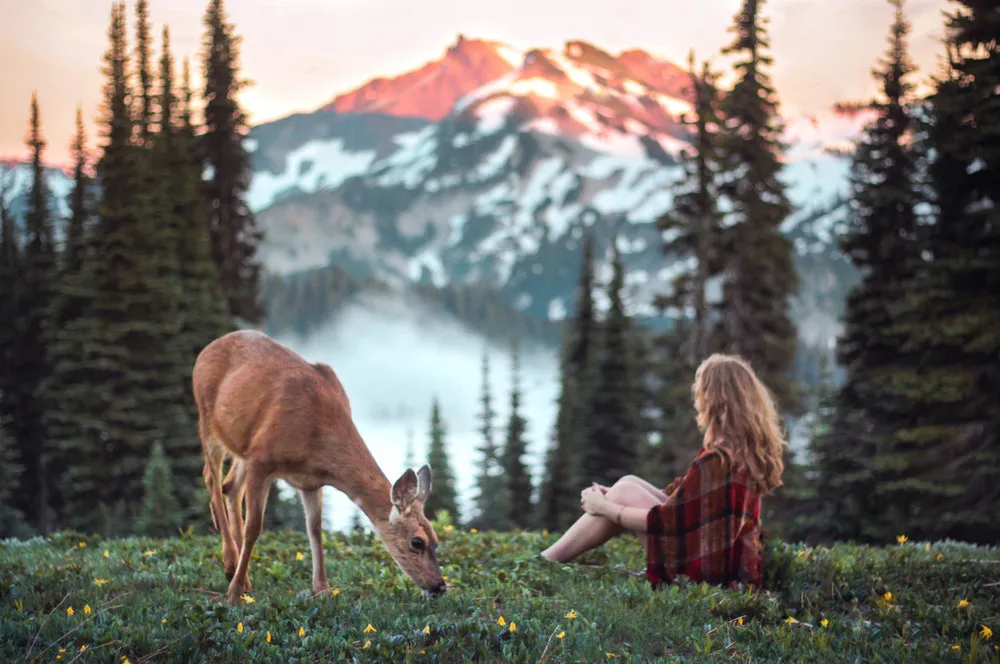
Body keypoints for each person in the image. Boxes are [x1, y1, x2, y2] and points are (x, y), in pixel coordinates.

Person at [540, 353, 787, 589]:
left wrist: (604, 507)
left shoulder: (719, 459)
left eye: (700, 391)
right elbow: (686, 502)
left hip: (704, 576)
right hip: (724, 564)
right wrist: (614, 494)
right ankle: (547, 559)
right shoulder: (742, 452)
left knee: (624, 492)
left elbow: (668, 521)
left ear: (714, 399)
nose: (696, 398)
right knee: (627, 484)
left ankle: (543, 563)